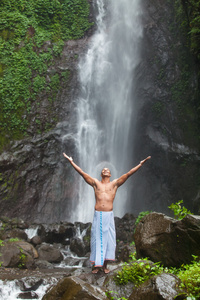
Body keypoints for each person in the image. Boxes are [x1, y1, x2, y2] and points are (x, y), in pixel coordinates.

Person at [63, 152, 151, 274]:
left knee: (109, 239)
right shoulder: (95, 183)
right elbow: (82, 173)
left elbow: (128, 174)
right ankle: (96, 266)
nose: (105, 170)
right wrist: (71, 161)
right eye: (103, 169)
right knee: (98, 239)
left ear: (110, 174)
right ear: (101, 173)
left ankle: (105, 266)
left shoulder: (114, 184)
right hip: (99, 214)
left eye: (107, 170)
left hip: (109, 215)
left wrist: (140, 164)